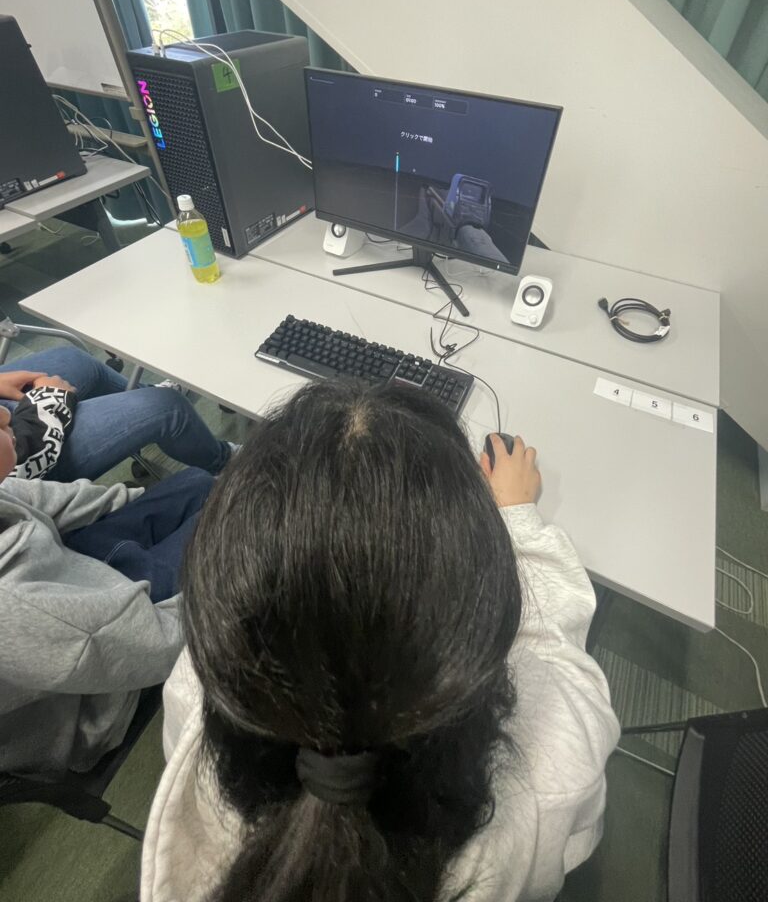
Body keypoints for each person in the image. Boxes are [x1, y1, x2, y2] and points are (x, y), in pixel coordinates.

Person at [141, 380, 620, 902]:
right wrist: (517, 520)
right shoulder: (554, 768)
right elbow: (555, 652)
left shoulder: (191, 691)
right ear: (481, 612)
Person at [0, 403, 213, 774]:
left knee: (199, 483)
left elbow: (56, 501)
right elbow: (162, 643)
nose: (6, 415)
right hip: (96, 690)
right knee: (231, 523)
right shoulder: (18, 607)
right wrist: (229, 575)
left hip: (75, 585)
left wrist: (145, 507)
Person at [0, 346, 236, 481]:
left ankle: (142, 402)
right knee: (168, 407)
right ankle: (225, 464)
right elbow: (13, 461)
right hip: (17, 468)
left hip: (14, 420)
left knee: (76, 361)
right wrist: (50, 399)